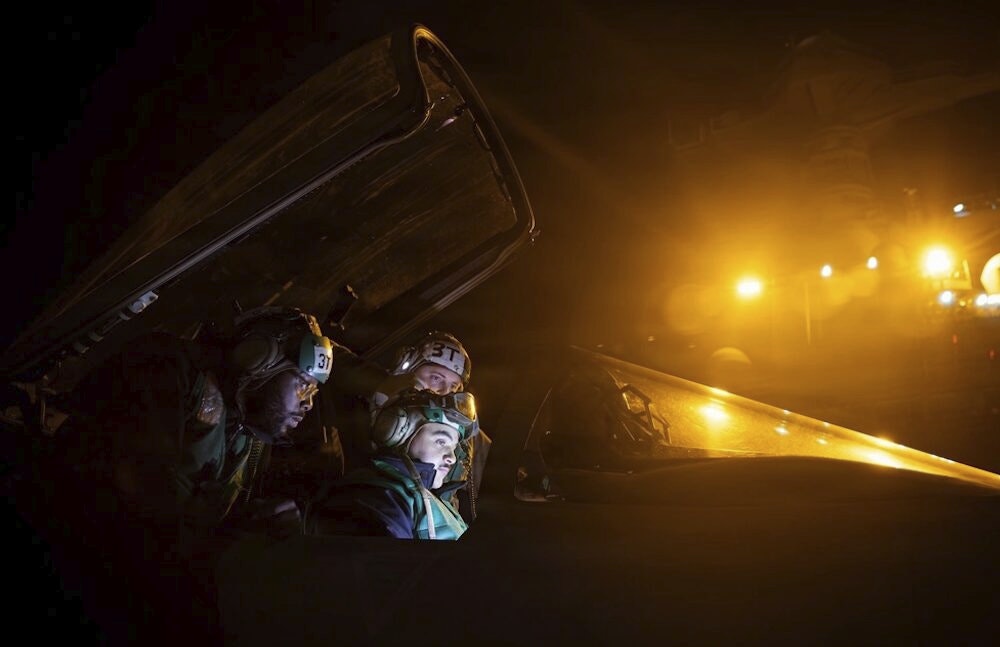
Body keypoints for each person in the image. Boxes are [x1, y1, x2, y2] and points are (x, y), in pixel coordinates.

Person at [29, 305, 334, 642]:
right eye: (303, 384)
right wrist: (230, 543)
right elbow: (133, 523)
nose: (308, 404)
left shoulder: (243, 438)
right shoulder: (166, 368)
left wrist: (256, 529)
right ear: (259, 359)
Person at [305, 389, 478, 540]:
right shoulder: (377, 495)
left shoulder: (425, 498)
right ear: (399, 432)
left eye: (454, 448)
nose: (452, 458)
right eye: (441, 441)